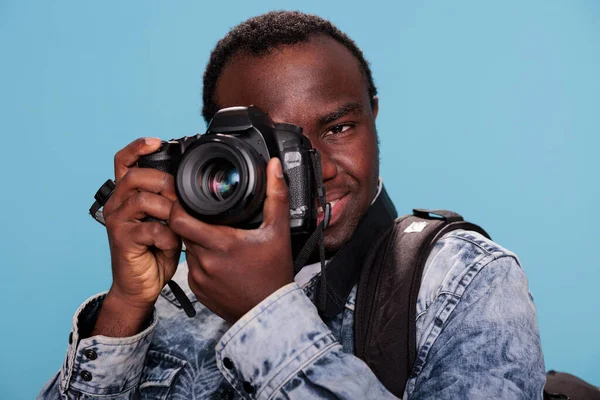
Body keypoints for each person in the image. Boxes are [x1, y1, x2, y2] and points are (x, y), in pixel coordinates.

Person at [39, 11, 546, 399]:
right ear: (219, 145)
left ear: (374, 115)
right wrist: (126, 307)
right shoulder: (175, 289)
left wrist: (266, 314)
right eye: (279, 147)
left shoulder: (464, 280)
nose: (319, 169)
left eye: (339, 128)